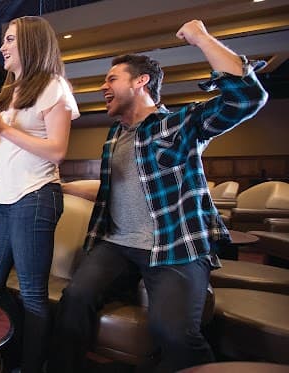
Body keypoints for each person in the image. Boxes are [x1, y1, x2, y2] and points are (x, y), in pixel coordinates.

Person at [49, 20, 268, 373]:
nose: (103, 86)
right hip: (117, 242)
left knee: (175, 333)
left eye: (111, 79)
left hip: (173, 245)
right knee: (74, 298)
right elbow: (114, 188)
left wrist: (201, 38)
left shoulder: (178, 123)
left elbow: (247, 97)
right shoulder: (114, 136)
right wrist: (61, 186)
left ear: (141, 81)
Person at [0, 16, 79, 372]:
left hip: (36, 197)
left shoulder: (54, 86)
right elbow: (0, 154)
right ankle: (13, 347)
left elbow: (56, 150)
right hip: (5, 200)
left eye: (9, 39)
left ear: (31, 44)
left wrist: (4, 127)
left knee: (33, 295)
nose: (3, 46)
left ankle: (30, 364)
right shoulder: (12, 94)